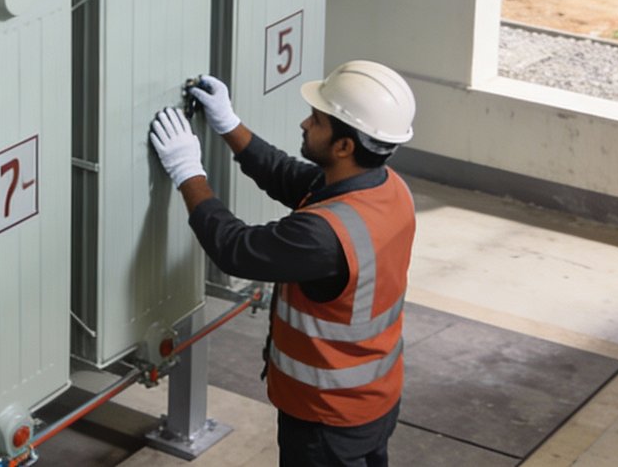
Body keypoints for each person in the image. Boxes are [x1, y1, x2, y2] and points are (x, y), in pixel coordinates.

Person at [149, 61, 419, 467]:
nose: (305, 123)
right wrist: (228, 124)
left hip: (327, 417)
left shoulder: (324, 236)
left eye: (317, 120)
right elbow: (289, 176)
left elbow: (235, 248)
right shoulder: (385, 187)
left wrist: (188, 171)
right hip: (374, 400)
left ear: (345, 146)